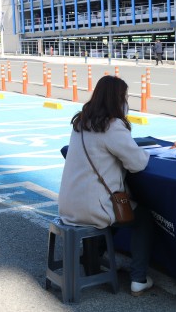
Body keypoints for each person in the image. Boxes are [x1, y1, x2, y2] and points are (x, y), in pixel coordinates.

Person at [57, 75, 154, 296]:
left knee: (113, 208)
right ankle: (138, 279)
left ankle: (94, 261)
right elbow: (138, 163)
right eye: (125, 97)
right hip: (94, 208)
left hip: (68, 204)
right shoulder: (113, 125)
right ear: (118, 99)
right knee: (144, 218)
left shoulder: (81, 122)